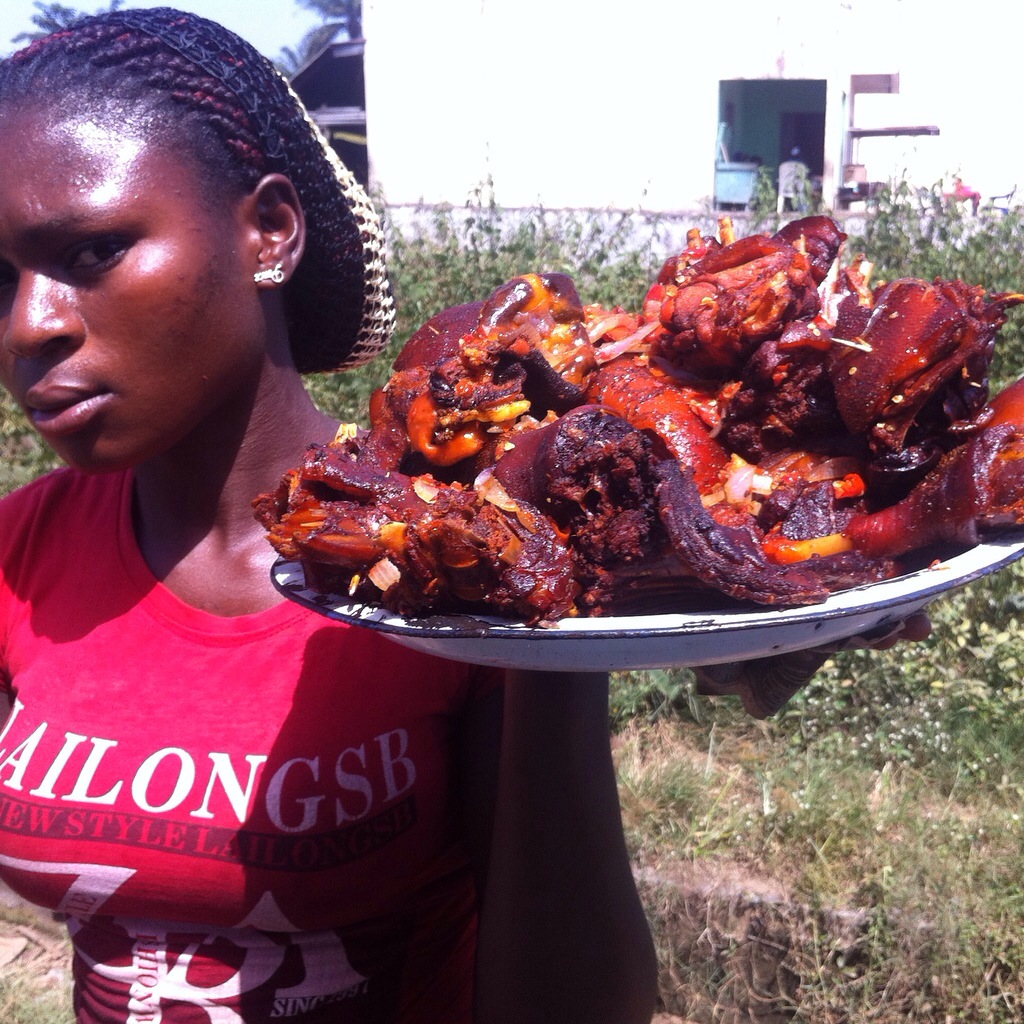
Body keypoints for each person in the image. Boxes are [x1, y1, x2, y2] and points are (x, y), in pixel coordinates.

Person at [0, 9, 658, 1023]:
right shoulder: (21, 558)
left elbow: (578, 1005)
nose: (29, 324)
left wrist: (562, 643)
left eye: (91, 252)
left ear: (268, 231)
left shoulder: (449, 558)